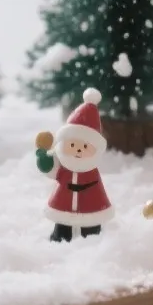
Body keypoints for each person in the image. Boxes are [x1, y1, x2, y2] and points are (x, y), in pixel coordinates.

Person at [34, 89, 112, 242]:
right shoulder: (63, 165)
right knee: (63, 225)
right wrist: (43, 156)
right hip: (63, 202)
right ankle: (61, 237)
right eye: (73, 144)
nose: (78, 150)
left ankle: (91, 236)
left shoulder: (91, 170)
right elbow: (49, 168)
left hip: (91, 203)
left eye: (84, 147)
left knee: (91, 223)